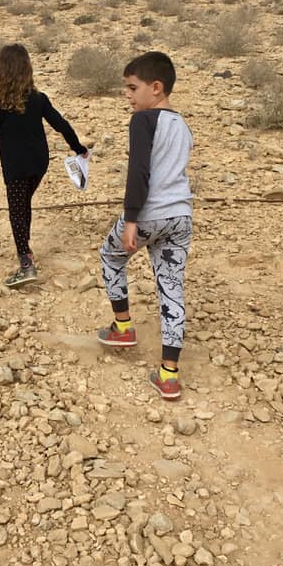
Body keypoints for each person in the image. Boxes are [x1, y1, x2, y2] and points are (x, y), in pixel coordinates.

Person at [97, 51, 193, 400]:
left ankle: (123, 327)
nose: (127, 95)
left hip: (150, 213)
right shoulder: (182, 124)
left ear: (156, 87)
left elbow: (138, 172)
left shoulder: (142, 121)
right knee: (171, 287)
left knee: (110, 256)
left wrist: (131, 219)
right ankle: (169, 374)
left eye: (132, 87)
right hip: (181, 216)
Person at [0, 43, 88, 286]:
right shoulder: (39, 99)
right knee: (23, 204)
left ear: (1, 70)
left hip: (16, 165)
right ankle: (26, 250)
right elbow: (61, 124)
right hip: (38, 163)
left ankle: (26, 264)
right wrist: (78, 148)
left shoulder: (0, 103)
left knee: (17, 209)